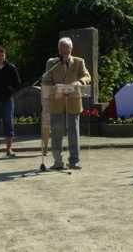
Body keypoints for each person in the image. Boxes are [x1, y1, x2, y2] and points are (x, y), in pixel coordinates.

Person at [42, 37, 91, 170]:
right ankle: (58, 162)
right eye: (62, 51)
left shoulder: (79, 62)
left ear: (71, 49)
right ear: (58, 50)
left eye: (67, 51)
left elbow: (87, 76)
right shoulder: (51, 63)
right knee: (57, 132)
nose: (65, 53)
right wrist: (54, 87)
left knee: (74, 132)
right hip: (56, 101)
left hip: (73, 100)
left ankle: (74, 161)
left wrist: (80, 82)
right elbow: (45, 81)